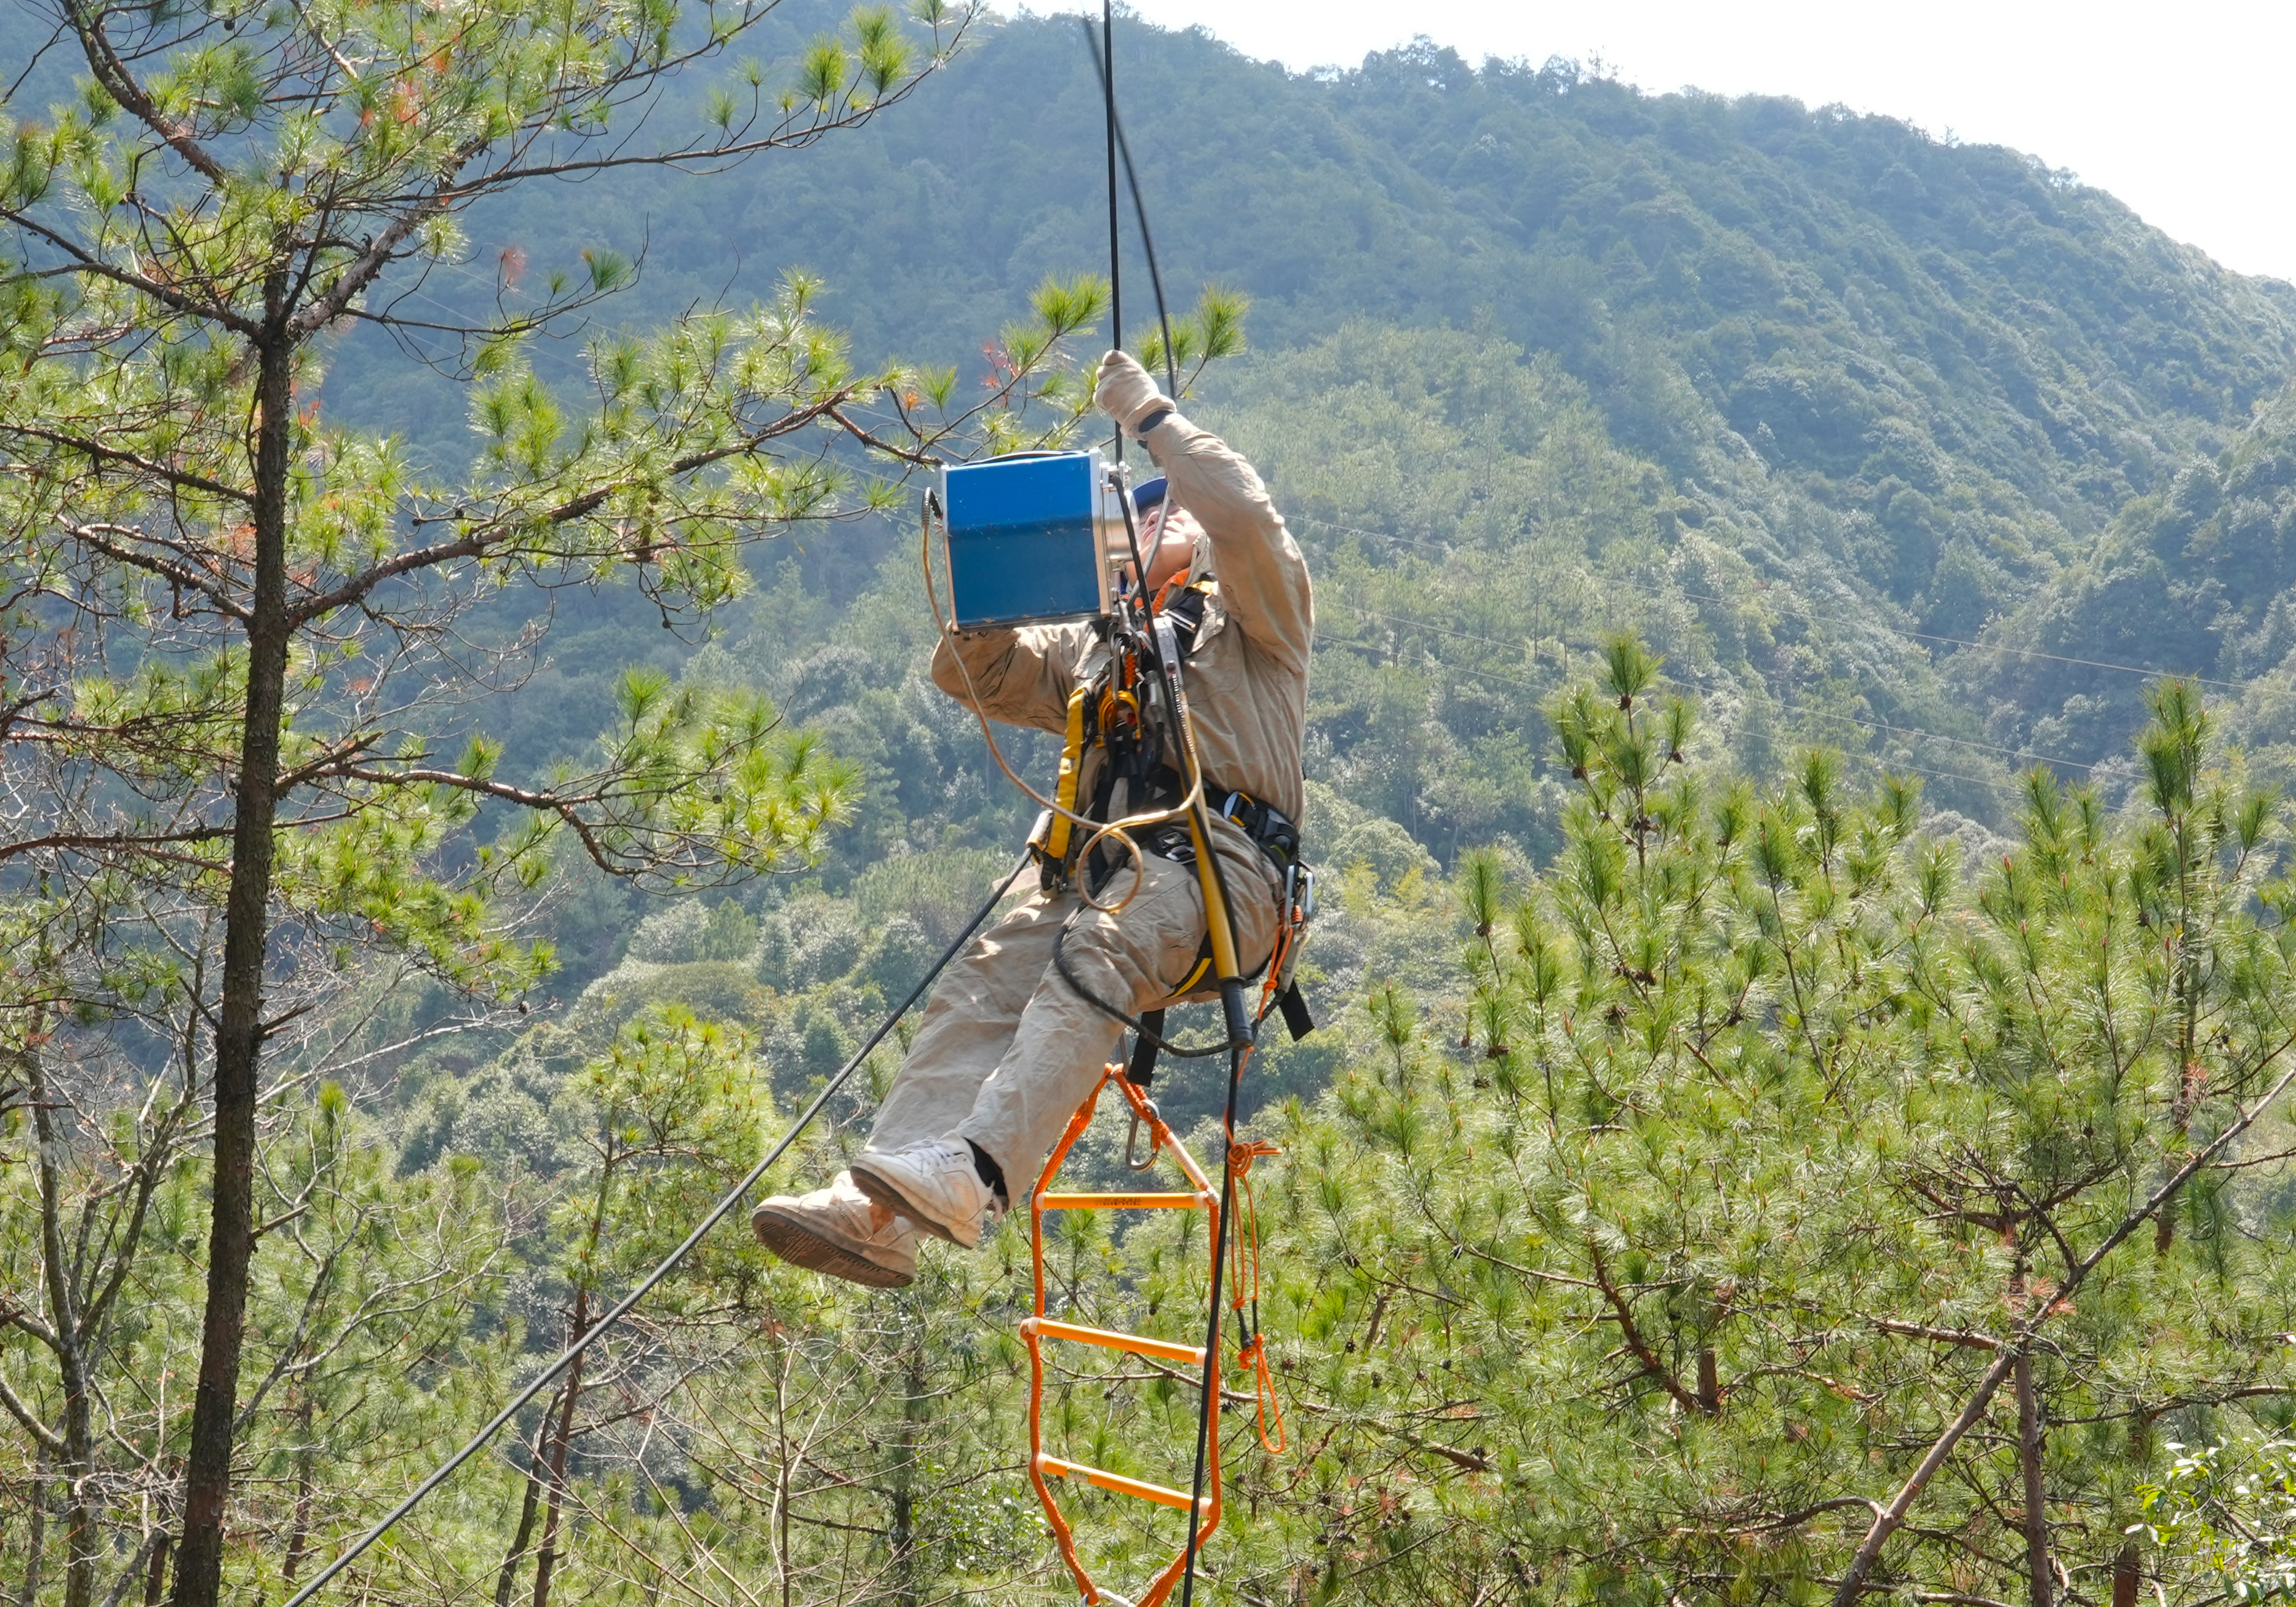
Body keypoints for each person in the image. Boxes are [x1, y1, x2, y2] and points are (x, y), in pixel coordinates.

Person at [749, 350, 1313, 1288]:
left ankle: (974, 1174)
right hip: (1104, 874)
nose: (1141, 525)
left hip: (1223, 871)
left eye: (1155, 510)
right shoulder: (1098, 651)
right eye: (1128, 518)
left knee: (1103, 947)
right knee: (984, 978)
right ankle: (884, 1210)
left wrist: (1154, 423)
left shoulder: (1256, 627)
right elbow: (974, 673)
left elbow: (1247, 517)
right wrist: (998, 577)